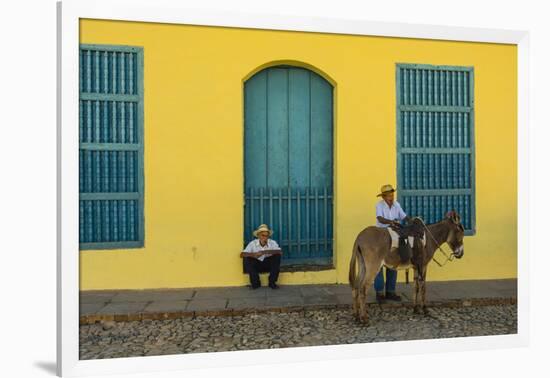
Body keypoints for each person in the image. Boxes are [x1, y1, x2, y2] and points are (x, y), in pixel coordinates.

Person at [374, 184, 410, 303]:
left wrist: (411, 220)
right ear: (383, 197)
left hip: (394, 233)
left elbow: (403, 216)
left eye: (392, 194)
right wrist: (391, 222)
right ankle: (379, 292)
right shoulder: (379, 205)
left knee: (395, 259)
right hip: (382, 232)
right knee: (379, 263)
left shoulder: (396, 204)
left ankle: (391, 291)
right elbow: (379, 219)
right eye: (389, 195)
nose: (391, 196)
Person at [242, 224, 282, 289]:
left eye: (267, 236)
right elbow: (242, 254)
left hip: (268, 265)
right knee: (247, 258)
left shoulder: (272, 243)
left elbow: (279, 252)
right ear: (258, 236)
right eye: (263, 235)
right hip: (257, 265)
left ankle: (272, 282)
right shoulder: (253, 243)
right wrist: (253, 254)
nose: (265, 237)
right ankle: (255, 283)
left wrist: (264, 252)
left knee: (277, 256)